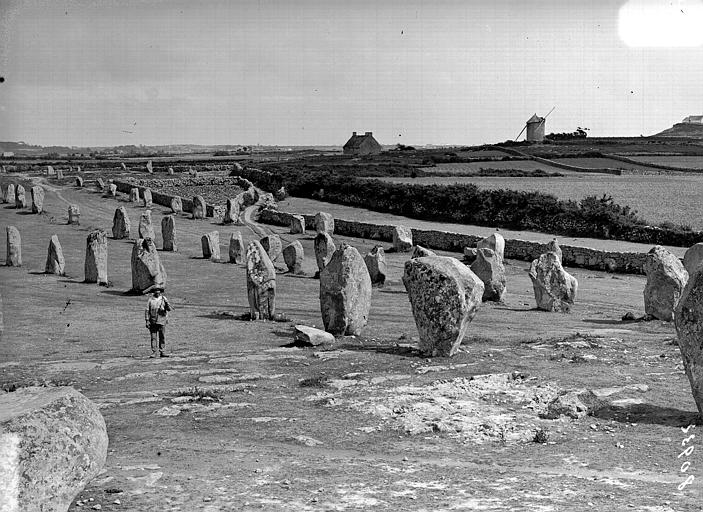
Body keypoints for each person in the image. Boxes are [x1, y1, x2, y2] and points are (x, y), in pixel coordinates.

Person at [145, 287, 172, 358]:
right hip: (153, 321)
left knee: (162, 337)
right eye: (156, 290)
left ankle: (162, 351)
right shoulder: (150, 300)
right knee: (153, 337)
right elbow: (147, 311)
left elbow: (169, 309)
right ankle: (154, 352)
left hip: (162, 321)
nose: (157, 292)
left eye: (158, 290)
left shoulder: (164, 299)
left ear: (160, 291)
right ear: (154, 292)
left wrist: (166, 304)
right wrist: (147, 320)